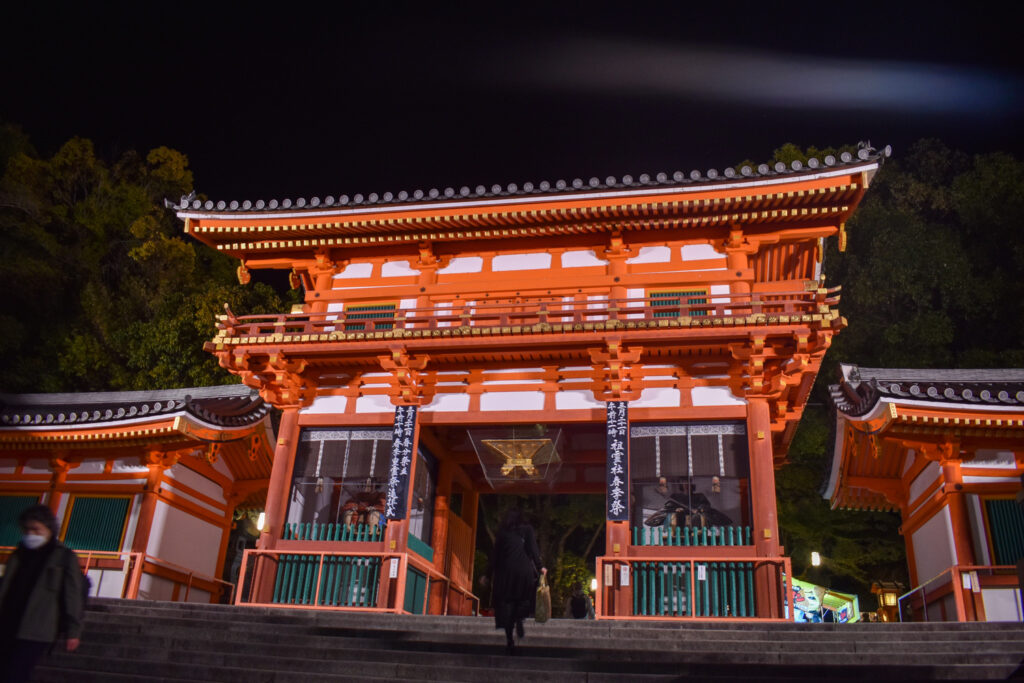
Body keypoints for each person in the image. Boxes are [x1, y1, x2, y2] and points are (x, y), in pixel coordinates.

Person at [0, 504, 85, 683]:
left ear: (49, 529)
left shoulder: (64, 557)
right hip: (8, 622)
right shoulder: (18, 554)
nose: (31, 534)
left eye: (36, 529)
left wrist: (73, 630)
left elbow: (72, 595)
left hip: (38, 627)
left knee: (15, 673)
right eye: (27, 529)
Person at [490, 508, 545, 655]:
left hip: (505, 572)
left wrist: (487, 574)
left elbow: (495, 555)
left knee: (507, 606)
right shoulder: (527, 530)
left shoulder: (502, 533)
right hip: (523, 571)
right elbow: (533, 550)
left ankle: (509, 641)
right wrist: (540, 567)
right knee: (522, 600)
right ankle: (519, 619)